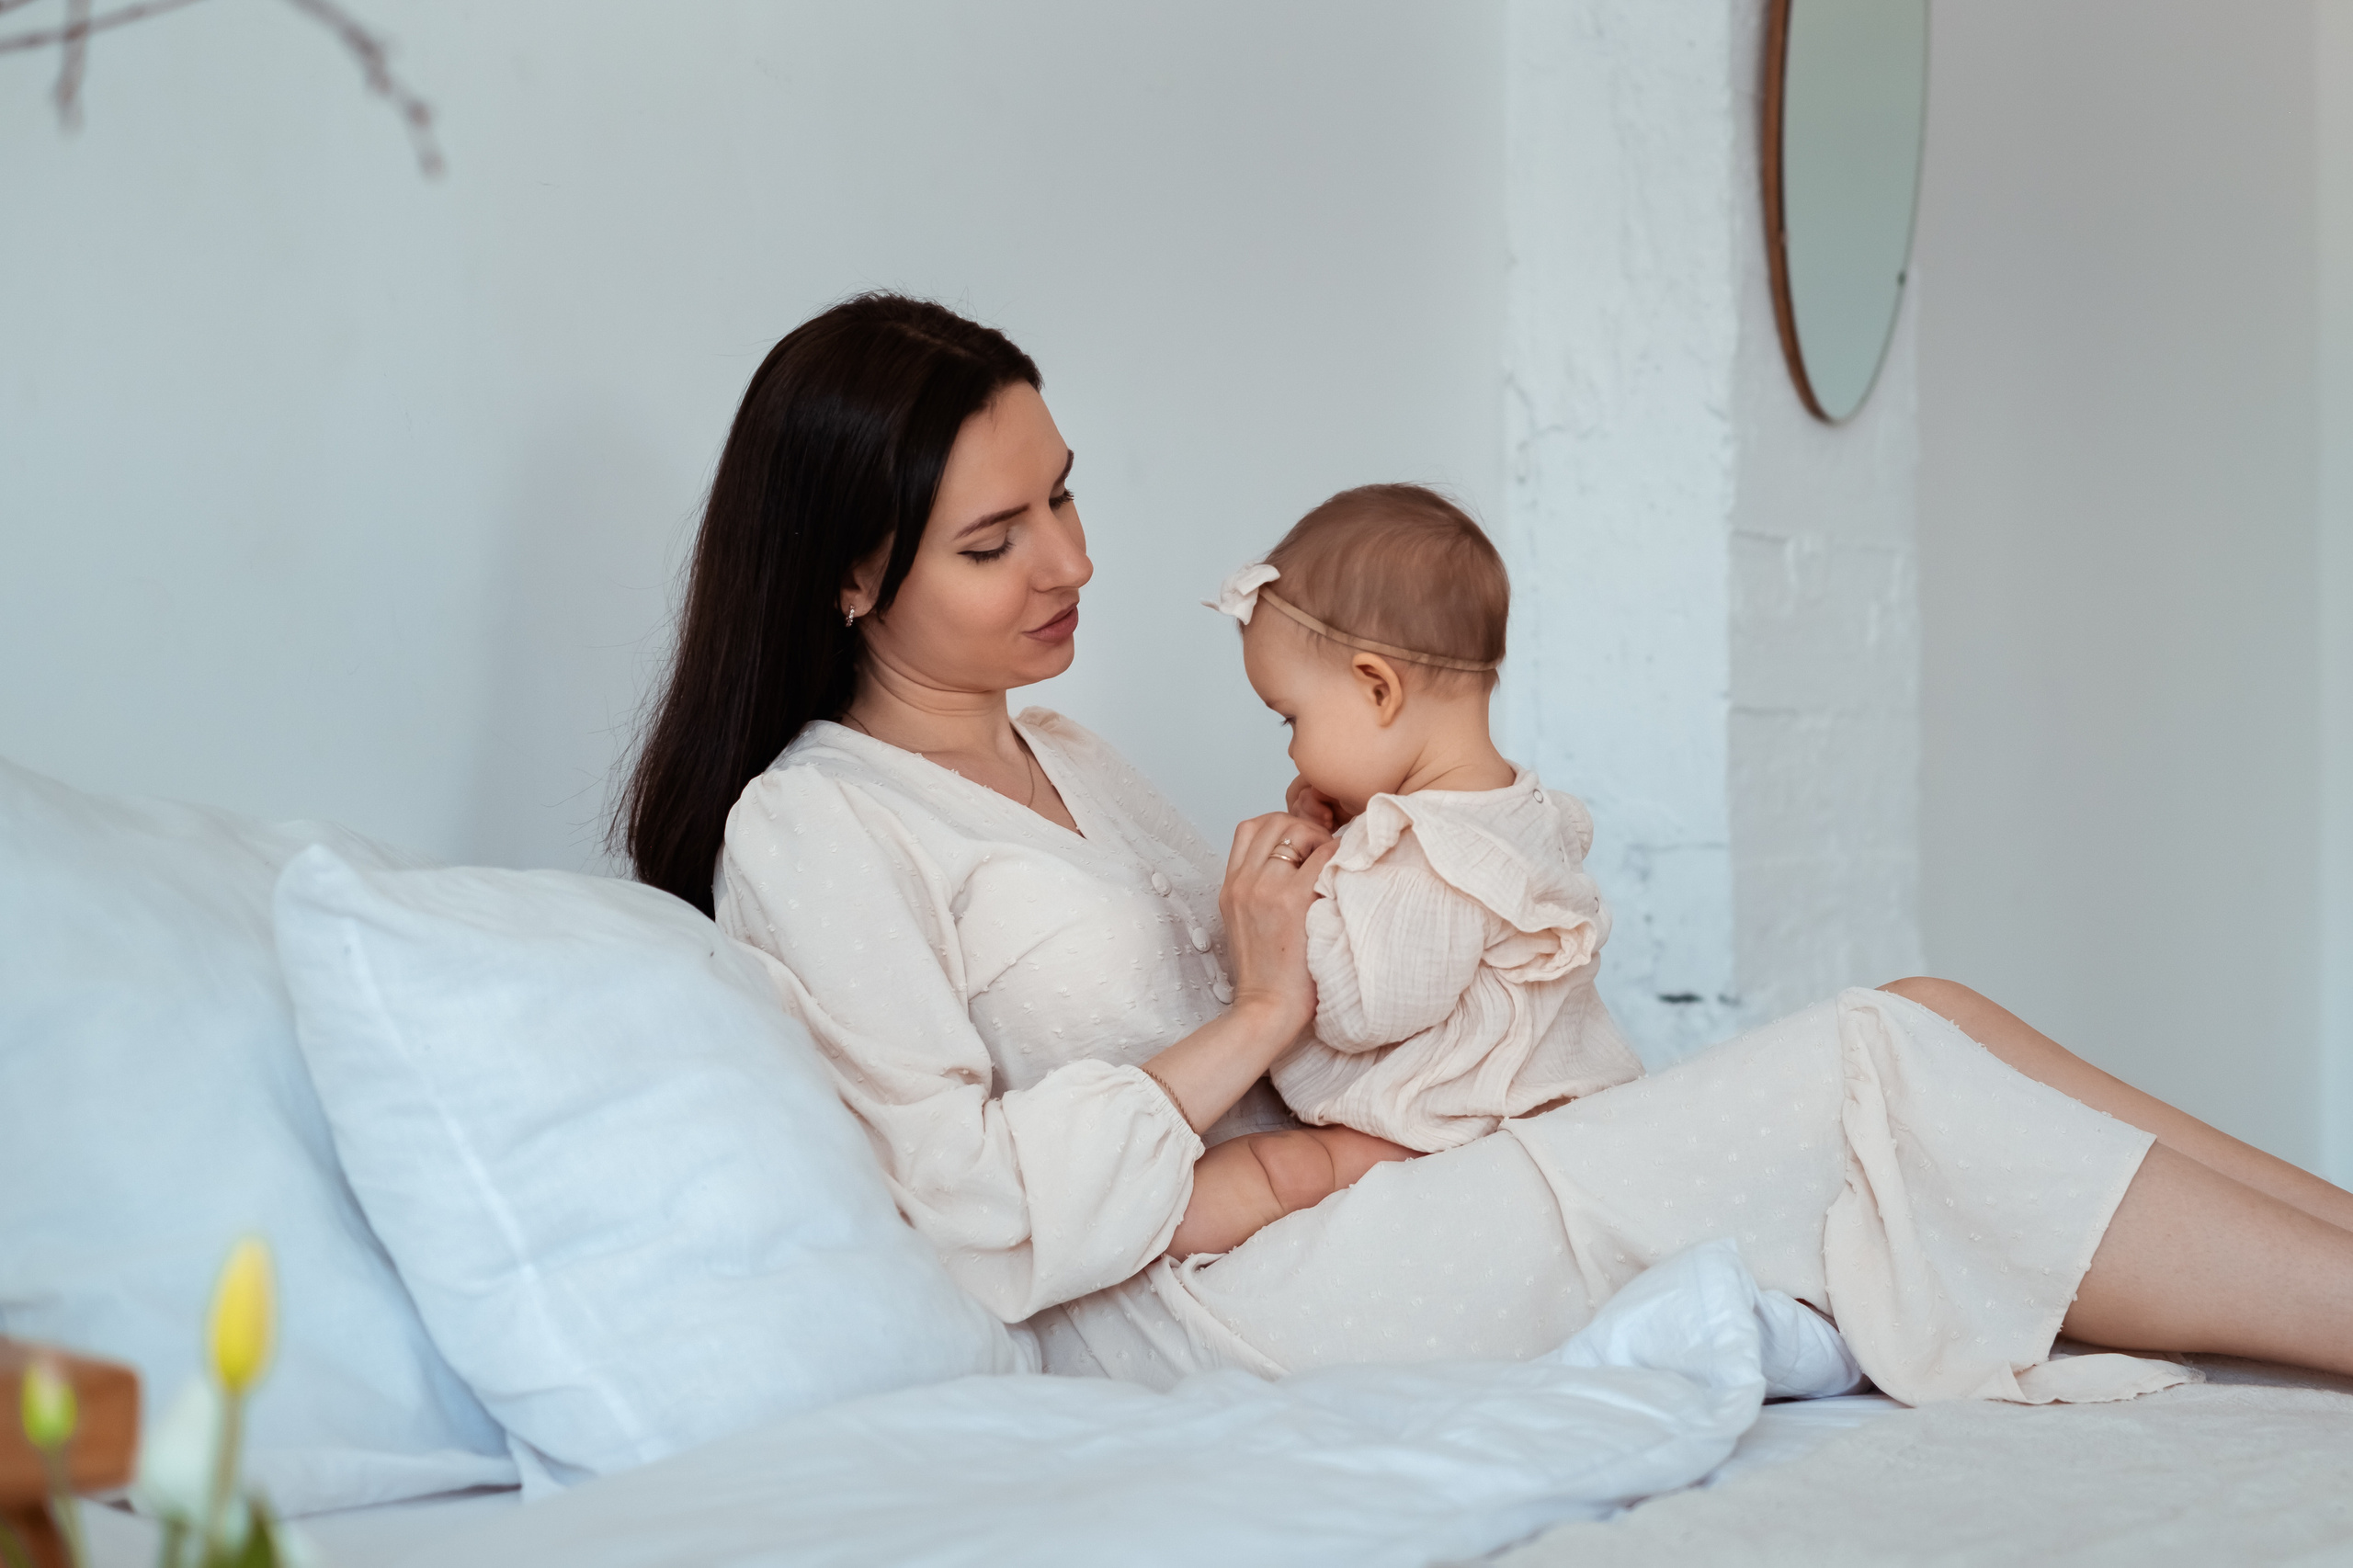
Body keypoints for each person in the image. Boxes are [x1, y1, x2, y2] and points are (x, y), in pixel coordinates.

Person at [621, 292, 2353, 1408]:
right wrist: (1264, 1055)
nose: (1071, 561)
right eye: (998, 540)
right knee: (1863, 1068)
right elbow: (970, 1216)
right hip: (1219, 1319)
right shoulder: (814, 821)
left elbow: (1304, 996)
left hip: (1357, 1209)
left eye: (1065, 494)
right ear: (852, 577)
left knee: (1925, 1004)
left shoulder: (1065, 752)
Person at [1167, 486, 1643, 1258]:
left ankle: (1134, 1261)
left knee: (1268, 1168)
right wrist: (1354, 838)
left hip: (1470, 1137)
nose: (1291, 750)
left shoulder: (1436, 856)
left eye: (1292, 717)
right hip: (1496, 1117)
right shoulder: (1512, 810)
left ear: (1377, 688)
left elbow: (1365, 1010)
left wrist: (1306, 890)